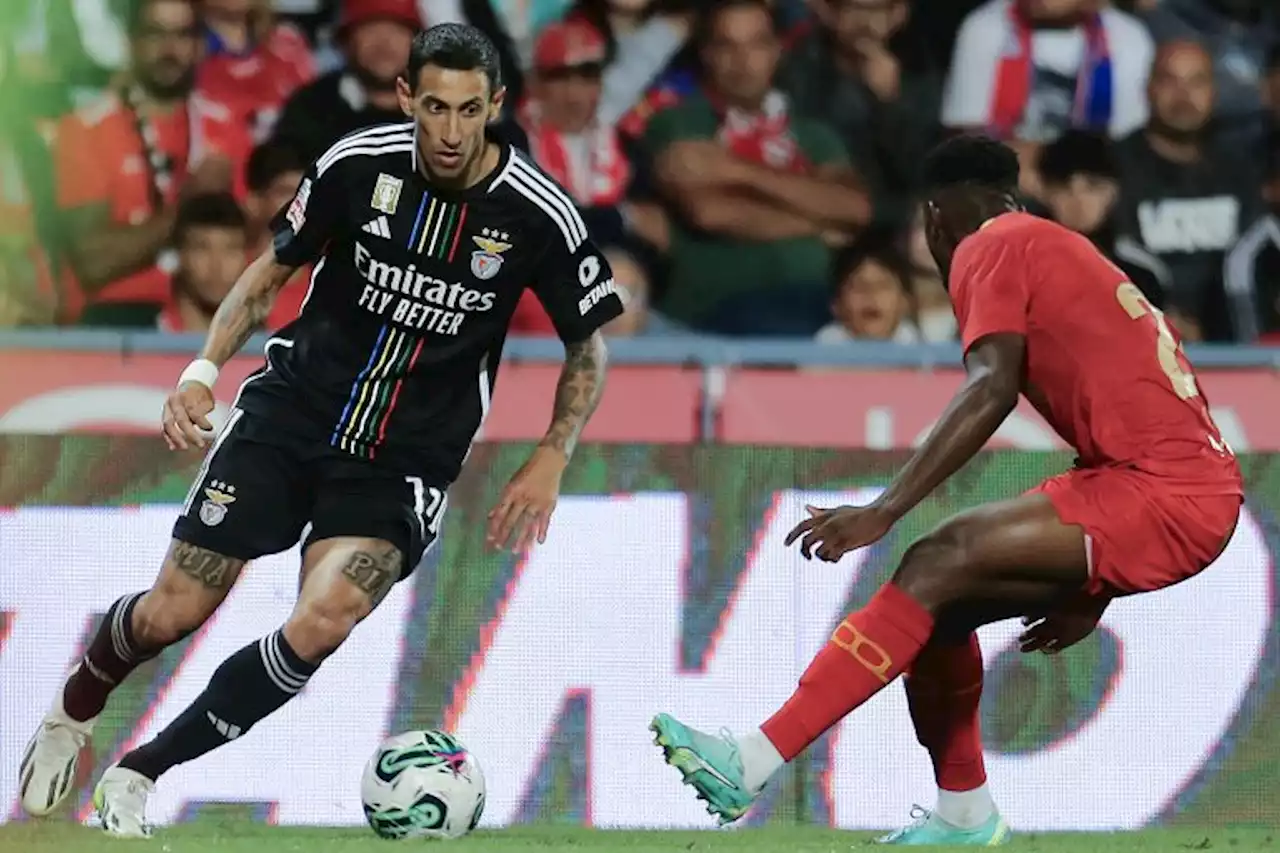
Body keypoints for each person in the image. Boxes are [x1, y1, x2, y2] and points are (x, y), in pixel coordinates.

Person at [19, 23, 624, 837]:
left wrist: (553, 452)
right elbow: (273, 268)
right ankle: (76, 704)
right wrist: (203, 370)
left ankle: (140, 771)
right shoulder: (356, 164)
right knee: (172, 610)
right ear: (407, 95)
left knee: (323, 617)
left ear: (497, 105)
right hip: (293, 412)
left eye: (469, 111)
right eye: (434, 107)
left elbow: (588, 341)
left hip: (405, 458)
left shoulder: (537, 212)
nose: (449, 132)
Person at [650, 134, 1242, 845]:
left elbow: (990, 385)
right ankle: (964, 812)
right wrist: (1096, 588)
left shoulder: (990, 245)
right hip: (1169, 485)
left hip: (1161, 491)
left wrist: (882, 508)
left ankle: (750, 760)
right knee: (939, 604)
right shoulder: (1053, 246)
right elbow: (1147, 405)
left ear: (935, 217)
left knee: (937, 555)